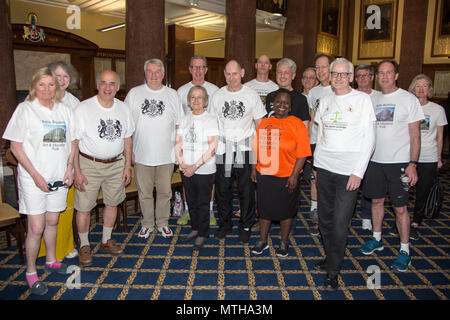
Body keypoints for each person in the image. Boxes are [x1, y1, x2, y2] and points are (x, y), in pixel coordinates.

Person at [3, 67, 76, 295]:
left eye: (51, 84)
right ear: (34, 86)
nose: (46, 89)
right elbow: (15, 147)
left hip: (59, 177)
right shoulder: (25, 109)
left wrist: (70, 167)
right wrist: (35, 176)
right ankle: (31, 271)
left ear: (58, 87)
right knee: (36, 226)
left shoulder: (64, 110)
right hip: (33, 179)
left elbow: (73, 141)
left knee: (53, 219)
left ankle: (52, 260)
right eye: (42, 84)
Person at [314, 58, 376, 290]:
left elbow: (370, 139)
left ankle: (333, 272)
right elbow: (320, 134)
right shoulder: (325, 100)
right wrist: (318, 164)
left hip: (349, 173)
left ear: (351, 77)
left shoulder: (362, 100)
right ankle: (331, 257)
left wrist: (358, 172)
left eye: (343, 74)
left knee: (340, 222)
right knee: (324, 219)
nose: (338, 78)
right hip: (325, 169)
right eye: (335, 74)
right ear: (329, 76)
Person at [359, 60, 424, 272]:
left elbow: (415, 136)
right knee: (376, 201)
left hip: (400, 163)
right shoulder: (373, 98)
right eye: (381, 73)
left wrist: (413, 164)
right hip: (375, 161)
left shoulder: (408, 99)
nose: (384, 76)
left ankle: (405, 250)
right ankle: (377, 239)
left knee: (400, 208)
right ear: (376, 76)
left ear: (396, 75)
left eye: (389, 73)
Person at [74, 70, 134, 266]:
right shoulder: (83, 108)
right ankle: (84, 245)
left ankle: (106, 239)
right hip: (89, 164)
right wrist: (76, 170)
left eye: (112, 84)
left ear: (117, 87)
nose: (108, 87)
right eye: (104, 83)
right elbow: (74, 141)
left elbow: (127, 137)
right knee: (83, 207)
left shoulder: (124, 108)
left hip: (116, 164)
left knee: (112, 203)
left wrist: (127, 165)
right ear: (97, 85)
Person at [125, 58, 184, 239]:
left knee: (165, 193)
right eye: (150, 71)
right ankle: (148, 224)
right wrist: (129, 152)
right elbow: (126, 126)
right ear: (145, 73)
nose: (154, 75)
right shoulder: (134, 94)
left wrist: (177, 151)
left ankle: (163, 223)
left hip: (166, 155)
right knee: (145, 193)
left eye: (157, 71)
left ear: (163, 74)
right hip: (141, 154)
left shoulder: (172, 94)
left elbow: (179, 125)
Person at [209, 60, 267, 243]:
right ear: (224, 74)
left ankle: (246, 224)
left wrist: (260, 155)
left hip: (245, 149)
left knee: (246, 190)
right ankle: (225, 223)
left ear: (242, 72)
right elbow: (211, 125)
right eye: (228, 74)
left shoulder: (251, 95)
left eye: (235, 74)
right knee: (222, 190)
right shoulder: (217, 95)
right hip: (223, 149)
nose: (231, 78)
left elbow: (260, 126)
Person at [251, 91, 311, 256]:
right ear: (273, 104)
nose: (282, 106)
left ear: (290, 106)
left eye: (286, 103)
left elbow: (303, 153)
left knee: (286, 210)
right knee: (264, 209)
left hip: (287, 174)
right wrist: (254, 168)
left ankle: (284, 242)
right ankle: (262, 241)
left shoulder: (297, 124)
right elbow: (257, 148)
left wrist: (294, 175)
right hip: (266, 173)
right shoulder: (265, 123)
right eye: (279, 102)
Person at [36, 61, 80, 261]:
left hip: (66, 165)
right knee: (43, 212)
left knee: (65, 210)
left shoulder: (74, 103)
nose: (61, 81)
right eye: (57, 76)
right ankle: (45, 250)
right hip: (42, 166)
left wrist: (74, 168)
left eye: (66, 77)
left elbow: (77, 138)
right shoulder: (39, 102)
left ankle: (66, 246)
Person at [177, 55, 219, 226]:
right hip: (187, 143)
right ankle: (188, 209)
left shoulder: (215, 90)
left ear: (206, 70)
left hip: (207, 143)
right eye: (194, 67)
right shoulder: (180, 91)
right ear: (189, 69)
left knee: (208, 180)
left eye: (201, 67)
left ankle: (208, 211)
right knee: (188, 179)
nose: (198, 70)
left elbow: (216, 117)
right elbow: (180, 120)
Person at [175, 86, 219, 250]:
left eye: (199, 97)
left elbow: (212, 147)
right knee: (191, 201)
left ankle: (203, 233)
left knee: (202, 202)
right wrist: (183, 164)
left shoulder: (210, 120)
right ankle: (194, 228)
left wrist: (194, 166)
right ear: (189, 101)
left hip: (204, 169)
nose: (196, 100)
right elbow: (178, 143)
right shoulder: (185, 118)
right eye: (193, 97)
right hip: (186, 168)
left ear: (206, 101)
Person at [409, 74, 447, 240]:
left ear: (430, 89)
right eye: (418, 86)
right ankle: (401, 221)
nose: (421, 89)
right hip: (408, 156)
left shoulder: (437, 110)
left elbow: (440, 136)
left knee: (422, 192)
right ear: (413, 88)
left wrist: (439, 158)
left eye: (425, 86)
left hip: (428, 157)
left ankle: (415, 222)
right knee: (402, 191)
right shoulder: (408, 106)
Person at [307, 53, 333, 236]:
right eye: (318, 68)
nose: (320, 71)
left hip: (334, 144)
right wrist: (308, 143)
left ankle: (332, 218)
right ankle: (317, 214)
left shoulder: (339, 89)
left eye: (324, 67)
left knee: (330, 182)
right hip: (316, 142)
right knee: (316, 179)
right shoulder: (314, 92)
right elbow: (311, 118)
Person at [354, 64, 381, 231]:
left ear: (372, 78)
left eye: (365, 75)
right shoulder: (351, 96)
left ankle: (366, 215)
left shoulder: (380, 97)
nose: (362, 79)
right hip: (352, 147)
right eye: (359, 76)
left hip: (371, 148)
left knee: (368, 185)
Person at [265, 58, 310, 128]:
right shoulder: (270, 96)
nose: (282, 76)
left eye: (286, 73)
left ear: (293, 76)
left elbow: (304, 128)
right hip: (273, 137)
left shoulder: (301, 99)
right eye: (279, 72)